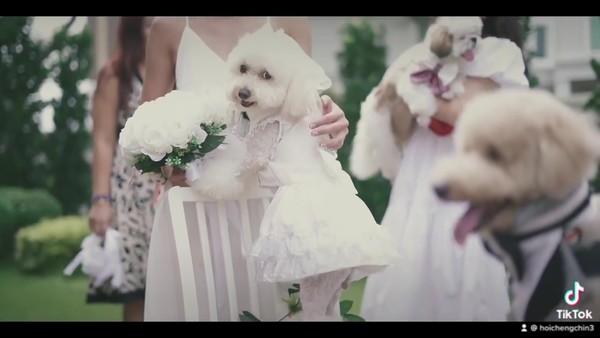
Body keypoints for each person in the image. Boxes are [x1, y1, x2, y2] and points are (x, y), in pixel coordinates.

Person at [140, 16, 351, 321]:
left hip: (273, 214)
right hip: (193, 212)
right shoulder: (169, 27)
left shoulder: (290, 23)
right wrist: (167, 166)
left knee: (275, 309)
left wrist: (331, 124)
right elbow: (146, 128)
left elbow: (304, 113)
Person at [360, 16, 530, 321]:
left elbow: (469, 112)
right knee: (406, 276)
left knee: (458, 267)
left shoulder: (500, 54)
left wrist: (411, 88)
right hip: (418, 175)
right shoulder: (418, 54)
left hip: (465, 176)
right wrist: (394, 101)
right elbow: (405, 133)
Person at [87, 16, 155, 322]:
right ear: (133, 29)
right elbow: (102, 140)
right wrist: (101, 200)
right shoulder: (115, 74)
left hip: (172, 189)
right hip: (130, 198)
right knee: (138, 292)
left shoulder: (183, 73)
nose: (157, 30)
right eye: (148, 24)